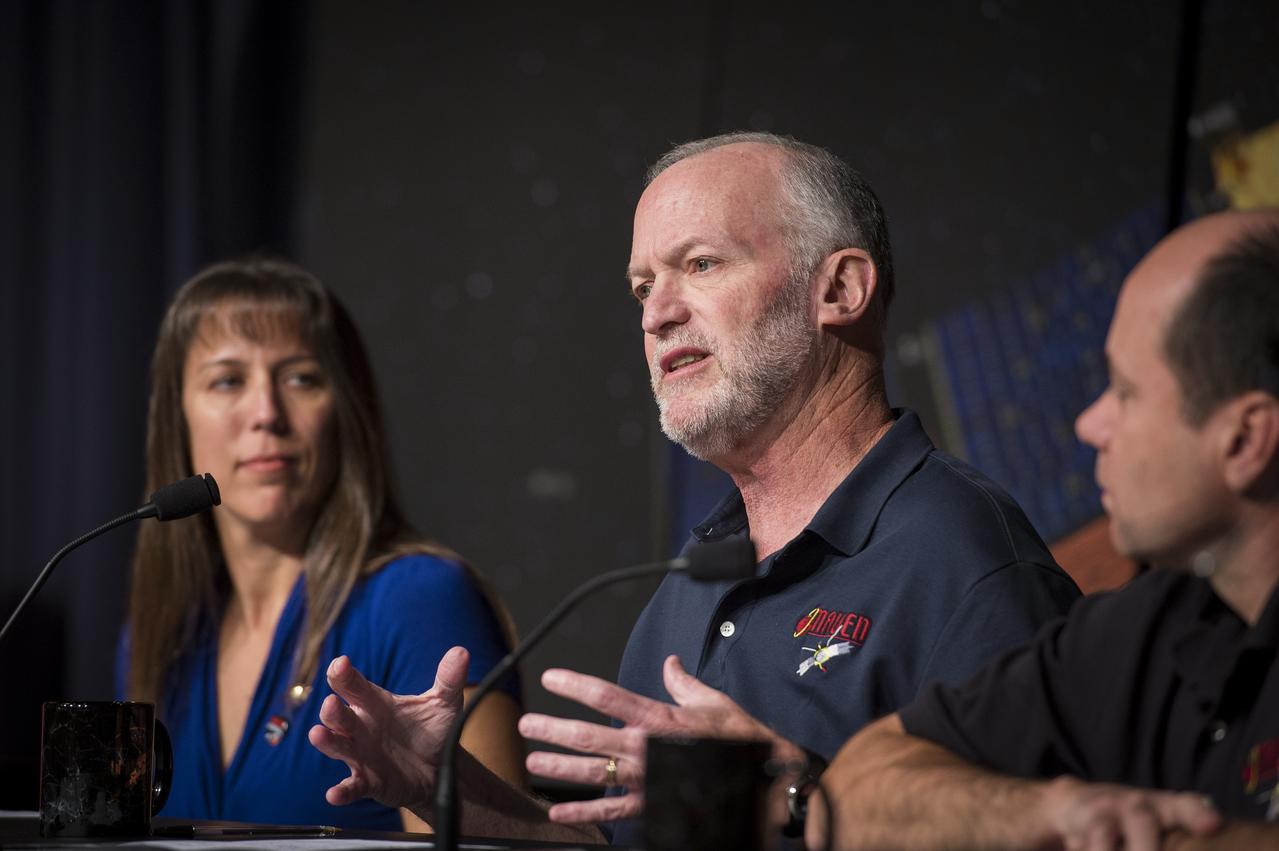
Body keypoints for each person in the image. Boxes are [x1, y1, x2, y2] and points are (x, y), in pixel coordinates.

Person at [308, 133, 1080, 843]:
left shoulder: (968, 566)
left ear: (839, 289)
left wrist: (793, 791)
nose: (656, 314)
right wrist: (445, 787)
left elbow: (1042, 832)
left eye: (701, 264)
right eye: (642, 286)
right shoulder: (696, 573)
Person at [806, 209, 1279, 851]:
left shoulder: (965, 542)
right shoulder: (1150, 627)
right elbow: (851, 796)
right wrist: (1053, 813)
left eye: (1126, 392)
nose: (1089, 424)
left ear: (1245, 440)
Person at [118, 257, 525, 830]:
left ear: (345, 410)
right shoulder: (160, 634)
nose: (266, 414)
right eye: (228, 380)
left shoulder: (421, 598)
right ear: (178, 419)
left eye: (301, 378)